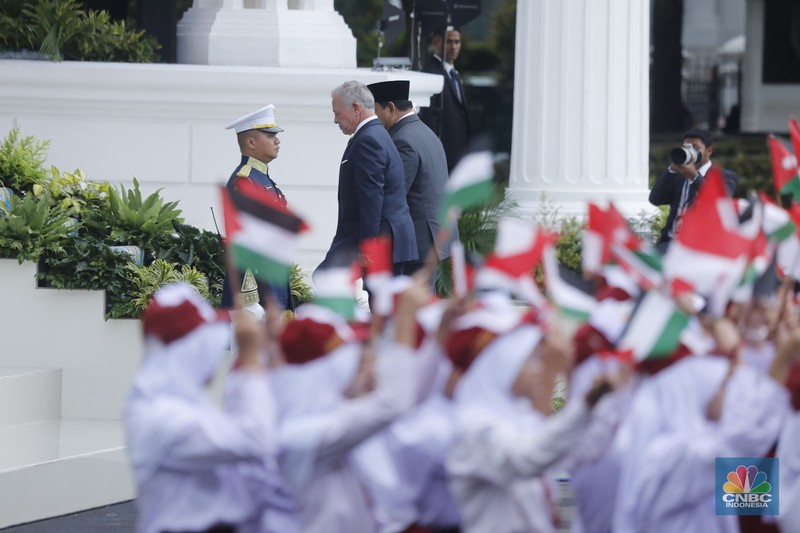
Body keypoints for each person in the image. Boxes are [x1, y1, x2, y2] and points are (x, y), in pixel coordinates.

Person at [123, 282, 279, 533]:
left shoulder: (178, 400)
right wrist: (250, 359)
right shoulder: (164, 415)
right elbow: (256, 440)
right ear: (190, 349)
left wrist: (266, 354)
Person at [318, 80, 418, 276]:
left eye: (337, 113)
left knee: (327, 279)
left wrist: (368, 245)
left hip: (381, 240)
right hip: (385, 239)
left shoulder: (368, 139)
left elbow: (372, 197)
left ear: (356, 108)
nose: (335, 120)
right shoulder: (374, 134)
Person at [368, 79, 452, 274]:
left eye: (375, 111)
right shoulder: (426, 132)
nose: (374, 118)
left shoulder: (401, 140)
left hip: (415, 245)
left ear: (390, 108)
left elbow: (393, 195)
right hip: (431, 239)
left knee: (409, 305)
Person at [221, 104, 293, 311]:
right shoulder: (245, 181)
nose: (277, 140)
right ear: (251, 142)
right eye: (270, 136)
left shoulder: (261, 179)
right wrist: (250, 299)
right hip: (257, 290)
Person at [649, 128, 738, 249]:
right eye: (686, 148)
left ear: (709, 151)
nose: (690, 152)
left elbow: (719, 202)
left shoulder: (724, 176)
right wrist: (672, 169)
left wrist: (694, 177)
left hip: (700, 247)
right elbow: (655, 199)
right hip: (670, 243)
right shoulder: (679, 175)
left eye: (695, 148)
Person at [419, 26, 470, 173]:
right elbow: (428, 117)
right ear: (435, 42)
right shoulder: (430, 73)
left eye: (457, 42)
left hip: (459, 155)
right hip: (442, 156)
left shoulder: (455, 74)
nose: (453, 46)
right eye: (449, 42)